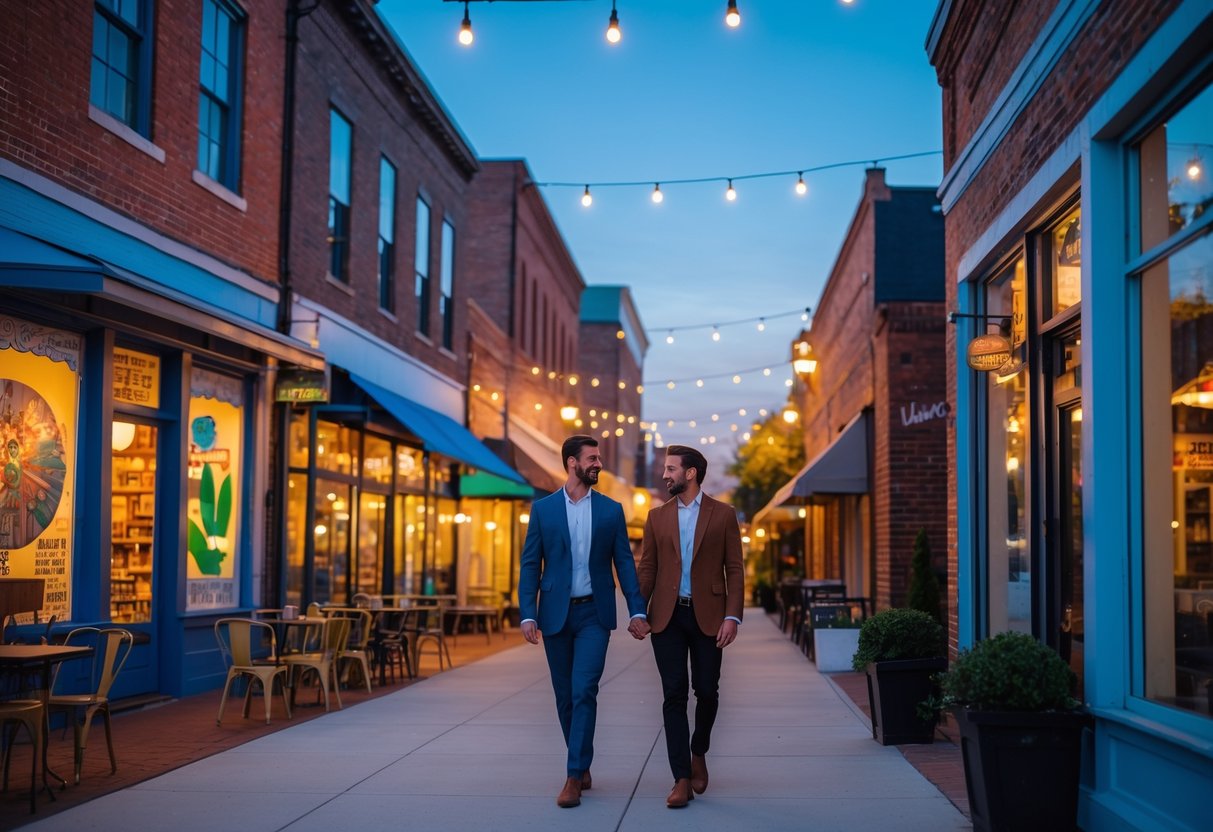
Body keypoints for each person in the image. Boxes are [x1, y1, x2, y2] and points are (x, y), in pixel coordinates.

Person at [518, 434, 647, 808]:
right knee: (564, 698)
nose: (598, 464)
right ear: (572, 463)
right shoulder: (543, 510)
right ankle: (583, 760)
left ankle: (573, 775)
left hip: (594, 613)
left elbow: (624, 562)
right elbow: (530, 564)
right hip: (555, 614)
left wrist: (636, 608)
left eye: (598, 458)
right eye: (591, 458)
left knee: (583, 689)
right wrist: (528, 612)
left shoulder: (610, 510)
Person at [630, 444, 744, 809]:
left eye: (671, 469)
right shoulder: (656, 517)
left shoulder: (723, 515)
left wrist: (732, 615)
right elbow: (647, 567)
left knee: (707, 691)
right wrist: (637, 610)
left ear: (690, 473)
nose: (665, 475)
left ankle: (699, 750)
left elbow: (735, 569)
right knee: (674, 694)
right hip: (667, 616)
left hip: (709, 615)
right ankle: (681, 777)